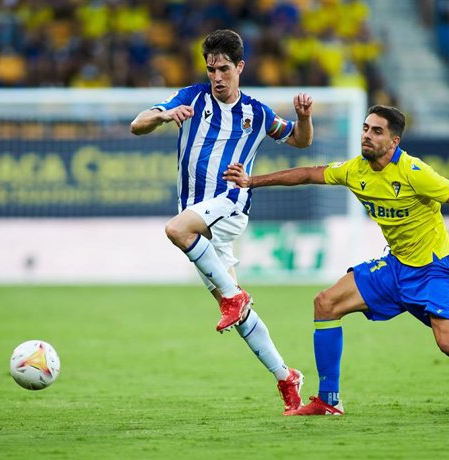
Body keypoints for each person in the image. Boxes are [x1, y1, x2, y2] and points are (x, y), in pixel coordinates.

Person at [223, 105, 449, 418]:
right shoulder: (356, 169)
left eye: (377, 131)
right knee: (325, 303)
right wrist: (253, 181)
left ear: (393, 141)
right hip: (396, 268)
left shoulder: (414, 172)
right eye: (366, 128)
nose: (367, 135)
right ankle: (328, 401)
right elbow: (309, 173)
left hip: (433, 271)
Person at [130, 29, 314, 413]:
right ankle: (286, 377)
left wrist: (303, 118)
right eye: (211, 68)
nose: (217, 76)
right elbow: (137, 124)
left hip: (230, 203)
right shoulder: (192, 98)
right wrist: (164, 115)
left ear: (240, 67)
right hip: (199, 217)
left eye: (224, 69)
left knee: (175, 229)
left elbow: (299, 140)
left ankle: (234, 296)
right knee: (239, 315)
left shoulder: (257, 113)